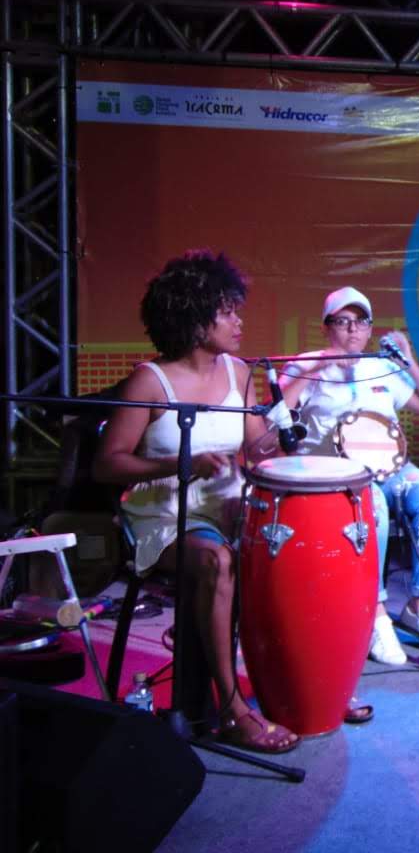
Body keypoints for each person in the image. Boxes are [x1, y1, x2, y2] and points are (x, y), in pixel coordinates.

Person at [94, 250, 299, 753]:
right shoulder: (150, 381)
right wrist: (182, 463)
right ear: (194, 317)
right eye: (227, 311)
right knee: (215, 560)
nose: (239, 321)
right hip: (164, 518)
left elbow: (256, 447)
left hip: (226, 512)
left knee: (291, 550)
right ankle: (231, 709)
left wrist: (287, 433)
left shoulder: (239, 372)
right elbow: (108, 464)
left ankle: (303, 687)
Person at [280, 287, 419, 667]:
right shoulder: (305, 364)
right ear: (326, 327)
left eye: (360, 322)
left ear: (370, 328)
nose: (352, 330)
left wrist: (409, 362)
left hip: (389, 470)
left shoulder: (381, 366)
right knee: (373, 503)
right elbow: (275, 413)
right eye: (342, 321)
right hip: (335, 476)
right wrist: (314, 369)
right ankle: (375, 613)